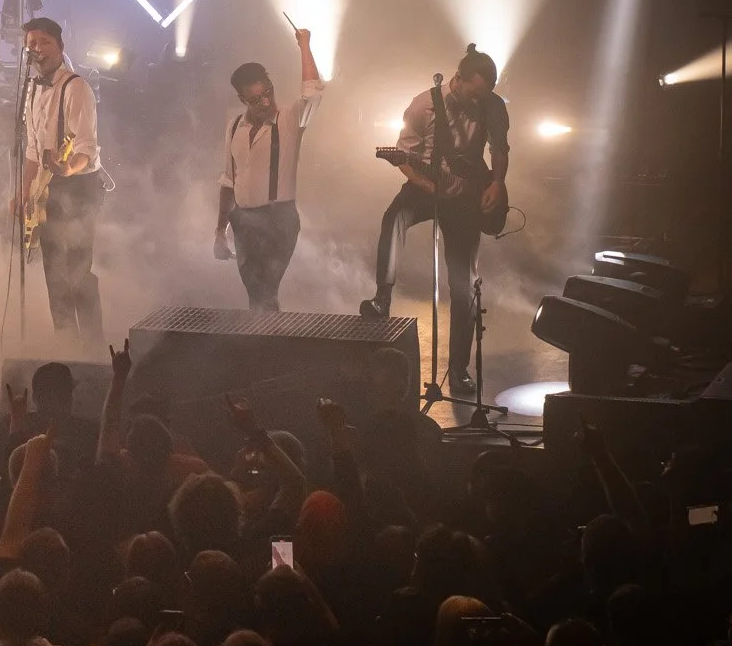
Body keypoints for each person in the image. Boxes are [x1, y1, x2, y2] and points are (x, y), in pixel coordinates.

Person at [359, 44, 510, 402]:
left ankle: (458, 369)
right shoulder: (423, 105)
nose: (478, 100)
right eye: (474, 93)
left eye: (483, 94)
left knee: (464, 285)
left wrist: (497, 183)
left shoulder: (493, 105)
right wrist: (429, 186)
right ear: (457, 79)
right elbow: (404, 157)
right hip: (426, 183)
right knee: (395, 216)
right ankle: (383, 295)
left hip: (468, 192)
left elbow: (500, 149)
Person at [214, 27, 323, 311]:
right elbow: (228, 181)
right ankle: (266, 336)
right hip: (243, 221)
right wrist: (220, 231)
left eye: (267, 93)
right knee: (256, 294)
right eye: (254, 99)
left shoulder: (289, 119)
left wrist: (304, 45)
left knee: (265, 290)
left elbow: (313, 93)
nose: (265, 102)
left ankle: (268, 337)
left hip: (279, 220)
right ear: (242, 100)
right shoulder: (235, 126)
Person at [15, 18, 103, 346]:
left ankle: (93, 345)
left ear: (60, 48)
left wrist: (67, 169)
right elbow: (32, 152)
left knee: (78, 271)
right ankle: (66, 343)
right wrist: (23, 193)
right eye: (32, 43)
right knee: (54, 273)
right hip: (47, 186)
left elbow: (85, 148)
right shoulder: (32, 89)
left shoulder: (76, 87)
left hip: (78, 187)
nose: (37, 48)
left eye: (45, 42)